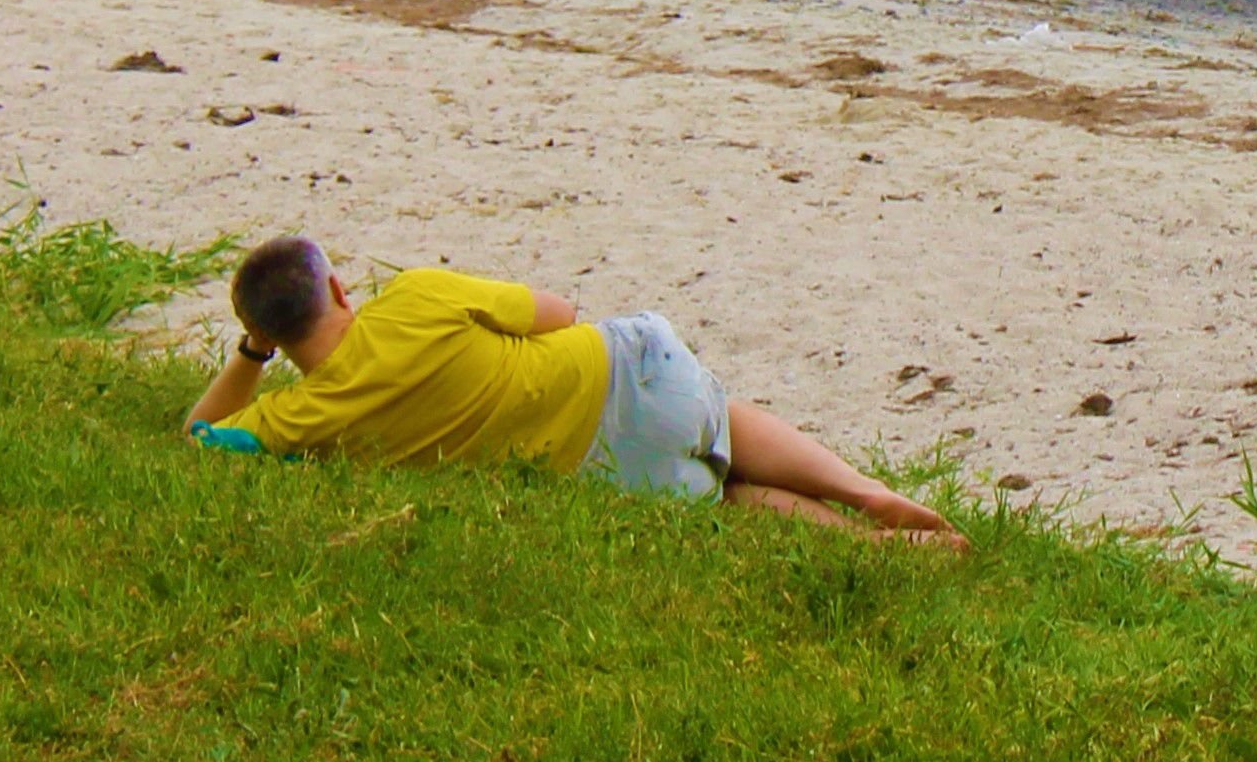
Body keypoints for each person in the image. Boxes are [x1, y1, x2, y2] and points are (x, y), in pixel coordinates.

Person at [183, 235, 963, 550]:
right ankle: (867, 492)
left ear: (274, 340)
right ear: (342, 289)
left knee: (721, 498)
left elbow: (200, 437)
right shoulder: (416, 297)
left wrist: (252, 352)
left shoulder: (299, 418)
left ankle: (872, 548)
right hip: (630, 374)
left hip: (599, 468)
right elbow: (559, 313)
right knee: (722, 419)